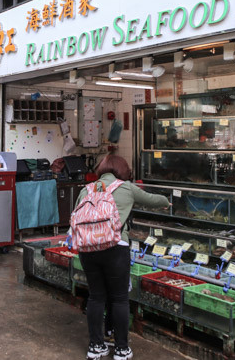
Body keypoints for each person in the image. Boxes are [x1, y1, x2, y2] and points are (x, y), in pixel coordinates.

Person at [74, 154, 170, 360]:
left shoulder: (87, 189)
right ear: (123, 170)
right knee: (119, 299)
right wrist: (167, 201)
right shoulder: (125, 187)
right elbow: (154, 201)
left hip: (88, 249)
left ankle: (95, 346)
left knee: (96, 297)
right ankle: (121, 349)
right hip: (116, 247)